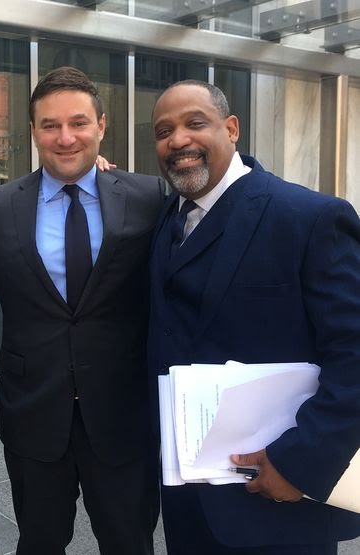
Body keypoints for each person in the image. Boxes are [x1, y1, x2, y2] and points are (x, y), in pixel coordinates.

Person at [148, 80, 360, 554]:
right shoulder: (165, 218)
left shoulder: (309, 218)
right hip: (187, 497)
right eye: (163, 131)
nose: (178, 139)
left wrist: (301, 464)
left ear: (232, 128)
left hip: (274, 494)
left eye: (194, 123)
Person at [0, 66, 166, 554]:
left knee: (130, 542)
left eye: (78, 123)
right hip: (33, 410)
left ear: (102, 126)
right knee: (39, 542)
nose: (65, 138)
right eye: (50, 125)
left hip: (124, 413)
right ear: (33, 131)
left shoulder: (147, 197)